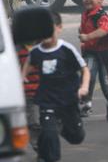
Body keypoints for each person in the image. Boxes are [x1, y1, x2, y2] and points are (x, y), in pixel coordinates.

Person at [22, 11, 90, 162]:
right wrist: (21, 79)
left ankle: (64, 129)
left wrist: (83, 87)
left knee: (76, 137)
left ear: (59, 28)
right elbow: (27, 66)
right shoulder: (36, 52)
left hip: (68, 101)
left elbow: (85, 69)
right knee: (48, 133)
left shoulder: (66, 49)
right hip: (47, 101)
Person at [78, 0, 108, 121]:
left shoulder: (102, 16)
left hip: (105, 54)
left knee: (107, 82)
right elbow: (82, 29)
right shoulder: (84, 14)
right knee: (87, 77)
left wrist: (88, 37)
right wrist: (83, 39)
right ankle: (86, 104)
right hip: (90, 52)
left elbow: (104, 30)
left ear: (100, 0)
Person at [17, 42, 41, 152]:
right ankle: (39, 147)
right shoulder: (17, 49)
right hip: (28, 92)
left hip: (46, 91)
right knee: (34, 121)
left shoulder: (43, 46)